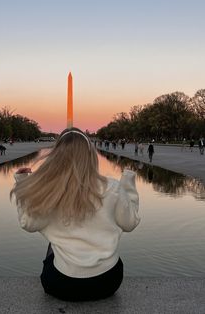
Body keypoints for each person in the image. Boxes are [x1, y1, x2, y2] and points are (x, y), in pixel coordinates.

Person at [10, 127, 140, 302]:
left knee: (52, 246)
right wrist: (128, 184)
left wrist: (23, 183)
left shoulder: (49, 192)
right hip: (108, 283)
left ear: (56, 156)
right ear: (90, 155)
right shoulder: (112, 188)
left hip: (61, 285)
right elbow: (129, 223)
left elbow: (28, 224)